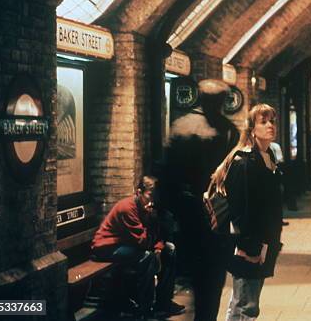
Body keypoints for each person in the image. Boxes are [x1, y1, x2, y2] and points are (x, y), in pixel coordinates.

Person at [162, 79, 239, 321]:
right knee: (212, 281)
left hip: (191, 218)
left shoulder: (182, 127)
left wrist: (175, 211)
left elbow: (168, 175)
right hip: (216, 216)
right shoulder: (230, 131)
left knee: (199, 279)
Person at [209, 104, 283, 320]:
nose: (270, 125)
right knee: (246, 305)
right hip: (249, 243)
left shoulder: (268, 156)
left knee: (244, 300)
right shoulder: (245, 163)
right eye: (264, 122)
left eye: (272, 121)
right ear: (252, 129)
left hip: (263, 241)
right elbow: (240, 209)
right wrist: (248, 246)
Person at [91, 176, 185, 318]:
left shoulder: (147, 207)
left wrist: (159, 249)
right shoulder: (128, 207)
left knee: (170, 249)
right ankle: (144, 309)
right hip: (107, 247)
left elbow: (157, 237)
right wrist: (151, 221)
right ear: (139, 192)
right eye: (149, 196)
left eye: (155, 197)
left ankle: (163, 304)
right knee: (147, 257)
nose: (152, 201)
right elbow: (144, 242)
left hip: (127, 244)